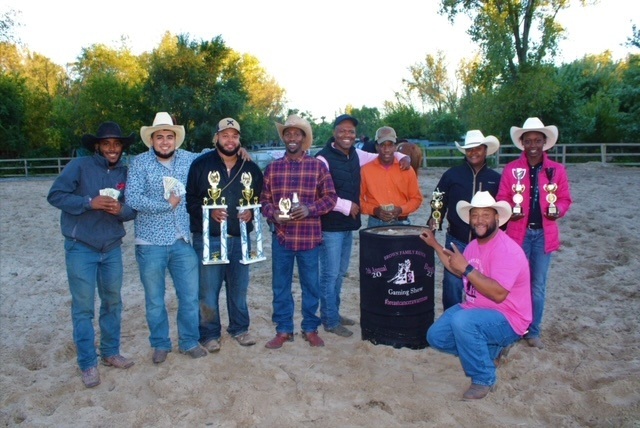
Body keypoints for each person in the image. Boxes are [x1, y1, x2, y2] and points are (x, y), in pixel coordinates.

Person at [47, 122, 136, 388]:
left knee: (113, 302)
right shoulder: (79, 166)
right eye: (106, 143)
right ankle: (87, 363)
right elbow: (55, 195)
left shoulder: (125, 173)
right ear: (97, 146)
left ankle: (110, 352)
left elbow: (132, 210)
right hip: (81, 247)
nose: (112, 148)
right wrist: (89, 202)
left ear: (122, 147)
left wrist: (120, 210)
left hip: (112, 247)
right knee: (83, 307)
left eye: (117, 144)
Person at [420, 191, 532, 400]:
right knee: (436, 337)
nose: (479, 220)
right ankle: (490, 352)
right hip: (475, 309)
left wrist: (467, 269)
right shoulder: (473, 246)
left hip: (508, 317)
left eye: (485, 215)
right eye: (475, 215)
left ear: (497, 218)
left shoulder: (507, 250)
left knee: (463, 322)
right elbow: (457, 268)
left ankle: (483, 378)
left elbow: (498, 294)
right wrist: (435, 244)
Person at [315, 115, 411, 337]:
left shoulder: (357, 154)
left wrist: (403, 155)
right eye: (342, 130)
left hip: (347, 225)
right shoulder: (322, 159)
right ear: (334, 132)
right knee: (330, 274)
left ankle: (333, 312)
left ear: (355, 135)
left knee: (340, 272)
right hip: (330, 225)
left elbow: (383, 154)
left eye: (351, 131)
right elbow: (318, 193)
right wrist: (345, 206)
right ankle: (329, 319)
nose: (346, 135)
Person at [125, 112, 207, 363]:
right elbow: (132, 198)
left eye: (169, 136)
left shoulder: (188, 159)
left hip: (182, 240)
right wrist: (166, 205)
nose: (164, 141)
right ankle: (160, 344)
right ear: (152, 140)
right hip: (150, 242)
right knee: (154, 300)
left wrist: (240, 151)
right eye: (159, 137)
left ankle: (189, 341)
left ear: (175, 139)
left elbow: (211, 154)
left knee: (190, 297)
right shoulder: (139, 163)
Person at [186, 118, 263, 352]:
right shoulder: (201, 164)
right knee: (208, 290)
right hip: (209, 238)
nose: (230, 140)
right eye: (225, 135)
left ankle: (240, 329)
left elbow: (258, 198)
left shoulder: (250, 167)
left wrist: (251, 212)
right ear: (216, 137)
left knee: (239, 288)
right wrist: (207, 212)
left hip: (240, 238)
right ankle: (209, 334)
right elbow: (190, 200)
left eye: (234, 136)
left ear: (240, 139)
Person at [260, 114, 337, 349]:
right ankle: (284, 330)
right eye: (288, 133)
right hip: (282, 237)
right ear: (284, 138)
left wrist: (309, 209)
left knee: (311, 286)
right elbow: (264, 201)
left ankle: (310, 328)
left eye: (297, 134)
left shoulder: (317, 166)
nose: (292, 137)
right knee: (280, 286)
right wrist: (273, 213)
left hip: (309, 237)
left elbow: (331, 198)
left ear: (303, 138)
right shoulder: (272, 169)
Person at [497, 117, 573, 349]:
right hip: (517, 234)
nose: (533, 145)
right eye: (528, 140)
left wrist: (557, 210)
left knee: (537, 285)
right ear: (522, 142)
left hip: (543, 235)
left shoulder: (557, 170)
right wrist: (509, 211)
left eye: (537, 140)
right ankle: (514, 326)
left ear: (544, 142)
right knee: (514, 283)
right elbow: (502, 197)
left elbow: (564, 199)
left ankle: (533, 330)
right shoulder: (511, 169)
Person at [428, 130, 502, 310]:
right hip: (456, 239)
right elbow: (438, 200)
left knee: (480, 283)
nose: (473, 152)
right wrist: (434, 222)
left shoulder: (495, 179)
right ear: (465, 152)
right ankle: (450, 318)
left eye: (478, 148)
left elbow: (500, 209)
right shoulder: (452, 175)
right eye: (469, 149)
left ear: (485, 150)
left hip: (484, 243)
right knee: (452, 284)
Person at [360, 126, 423, 228]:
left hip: (402, 222)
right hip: (376, 223)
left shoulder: (407, 170)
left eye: (390, 145)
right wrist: (374, 210)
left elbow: (416, 199)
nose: (386, 150)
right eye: (382, 145)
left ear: (395, 147)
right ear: (376, 147)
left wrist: (401, 209)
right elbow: (359, 200)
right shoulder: (365, 170)